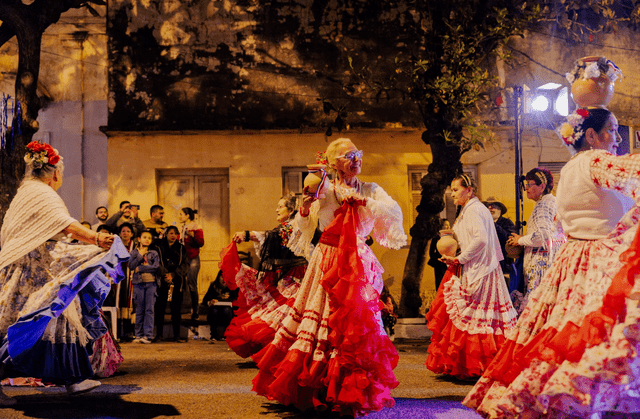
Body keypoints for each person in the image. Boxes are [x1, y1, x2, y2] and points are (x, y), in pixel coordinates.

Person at [463, 107, 640, 418]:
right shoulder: (596, 161)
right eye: (612, 131)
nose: (617, 139)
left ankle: (552, 401)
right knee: (597, 336)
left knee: (557, 334)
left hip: (571, 261)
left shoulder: (570, 168)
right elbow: (634, 171)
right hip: (601, 261)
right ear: (591, 135)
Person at [252, 138, 407, 417]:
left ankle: (355, 387)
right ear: (334, 162)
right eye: (349, 156)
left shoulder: (371, 189)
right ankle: (314, 387)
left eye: (358, 154)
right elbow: (303, 222)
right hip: (328, 259)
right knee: (322, 319)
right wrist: (305, 206)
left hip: (357, 261)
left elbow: (393, 211)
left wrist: (364, 201)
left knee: (357, 324)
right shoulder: (324, 187)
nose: (356, 160)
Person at [0, 141, 128, 403]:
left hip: (34, 270)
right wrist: (95, 238)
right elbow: (65, 224)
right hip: (29, 273)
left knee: (58, 319)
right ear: (55, 173)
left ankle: (73, 378)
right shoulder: (41, 193)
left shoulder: (25, 192)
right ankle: (72, 379)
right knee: (20, 324)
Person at [425, 174, 517, 379]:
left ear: (469, 190)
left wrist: (460, 259)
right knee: (476, 317)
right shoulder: (468, 210)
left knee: (478, 317)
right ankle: (473, 364)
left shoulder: (475, 209)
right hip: (477, 267)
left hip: (481, 270)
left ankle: (482, 364)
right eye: (451, 190)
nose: (452, 193)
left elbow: (481, 240)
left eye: (456, 190)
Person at [222, 194, 307, 358]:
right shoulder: (288, 227)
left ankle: (289, 354)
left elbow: (272, 237)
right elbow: (272, 237)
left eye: (280, 206)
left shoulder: (294, 227)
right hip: (286, 277)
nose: (277, 209)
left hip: (297, 279)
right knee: (283, 314)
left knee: (290, 313)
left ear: (290, 210)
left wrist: (247, 235)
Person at [507, 168, 566, 315]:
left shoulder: (543, 206)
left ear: (542, 186)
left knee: (536, 308)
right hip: (551, 260)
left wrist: (521, 240)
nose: (526, 188)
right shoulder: (554, 202)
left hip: (541, 264)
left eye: (529, 184)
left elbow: (543, 236)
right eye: (525, 184)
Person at [154, 225, 189, 342]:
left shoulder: (181, 248)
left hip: (176, 280)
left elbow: (185, 264)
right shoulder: (158, 246)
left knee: (176, 307)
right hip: (161, 280)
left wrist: (173, 274)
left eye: (175, 233)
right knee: (160, 307)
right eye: (170, 233)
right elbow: (155, 262)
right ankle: (159, 334)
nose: (173, 235)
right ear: (166, 234)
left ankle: (177, 335)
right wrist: (165, 274)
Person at [129, 230, 160, 344]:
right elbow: (131, 266)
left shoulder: (154, 253)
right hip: (138, 284)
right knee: (140, 309)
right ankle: (138, 334)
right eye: (144, 237)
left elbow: (155, 267)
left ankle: (148, 335)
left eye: (149, 238)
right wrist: (140, 256)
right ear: (139, 239)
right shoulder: (134, 253)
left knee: (149, 309)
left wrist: (141, 268)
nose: (147, 239)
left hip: (151, 283)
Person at [178, 207, 204, 321]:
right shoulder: (180, 227)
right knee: (180, 284)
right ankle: (181, 309)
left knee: (192, 284)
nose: (180, 216)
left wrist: (192, 235)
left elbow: (201, 242)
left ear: (187, 215)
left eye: (181, 214)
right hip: (182, 259)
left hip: (192, 258)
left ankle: (195, 311)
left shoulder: (196, 227)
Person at [484, 198, 516, 280]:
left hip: (504, 266)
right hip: (487, 266)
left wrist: (493, 224)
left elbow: (509, 239)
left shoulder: (507, 222)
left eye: (493, 206)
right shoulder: (483, 224)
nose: (490, 208)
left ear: (500, 210)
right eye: (488, 206)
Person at [202, 271, 237, 341]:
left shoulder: (232, 287)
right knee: (214, 311)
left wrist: (229, 299)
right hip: (216, 310)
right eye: (222, 277)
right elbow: (205, 300)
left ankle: (227, 334)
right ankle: (214, 335)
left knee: (226, 310)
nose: (224, 279)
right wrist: (212, 301)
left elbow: (237, 300)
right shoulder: (214, 286)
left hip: (227, 311)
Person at [427, 218, 451, 291]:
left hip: (449, 263)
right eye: (445, 225)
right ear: (441, 226)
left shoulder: (451, 236)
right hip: (439, 264)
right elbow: (431, 252)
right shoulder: (436, 237)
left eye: (448, 225)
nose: (447, 227)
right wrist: (437, 259)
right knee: (440, 282)